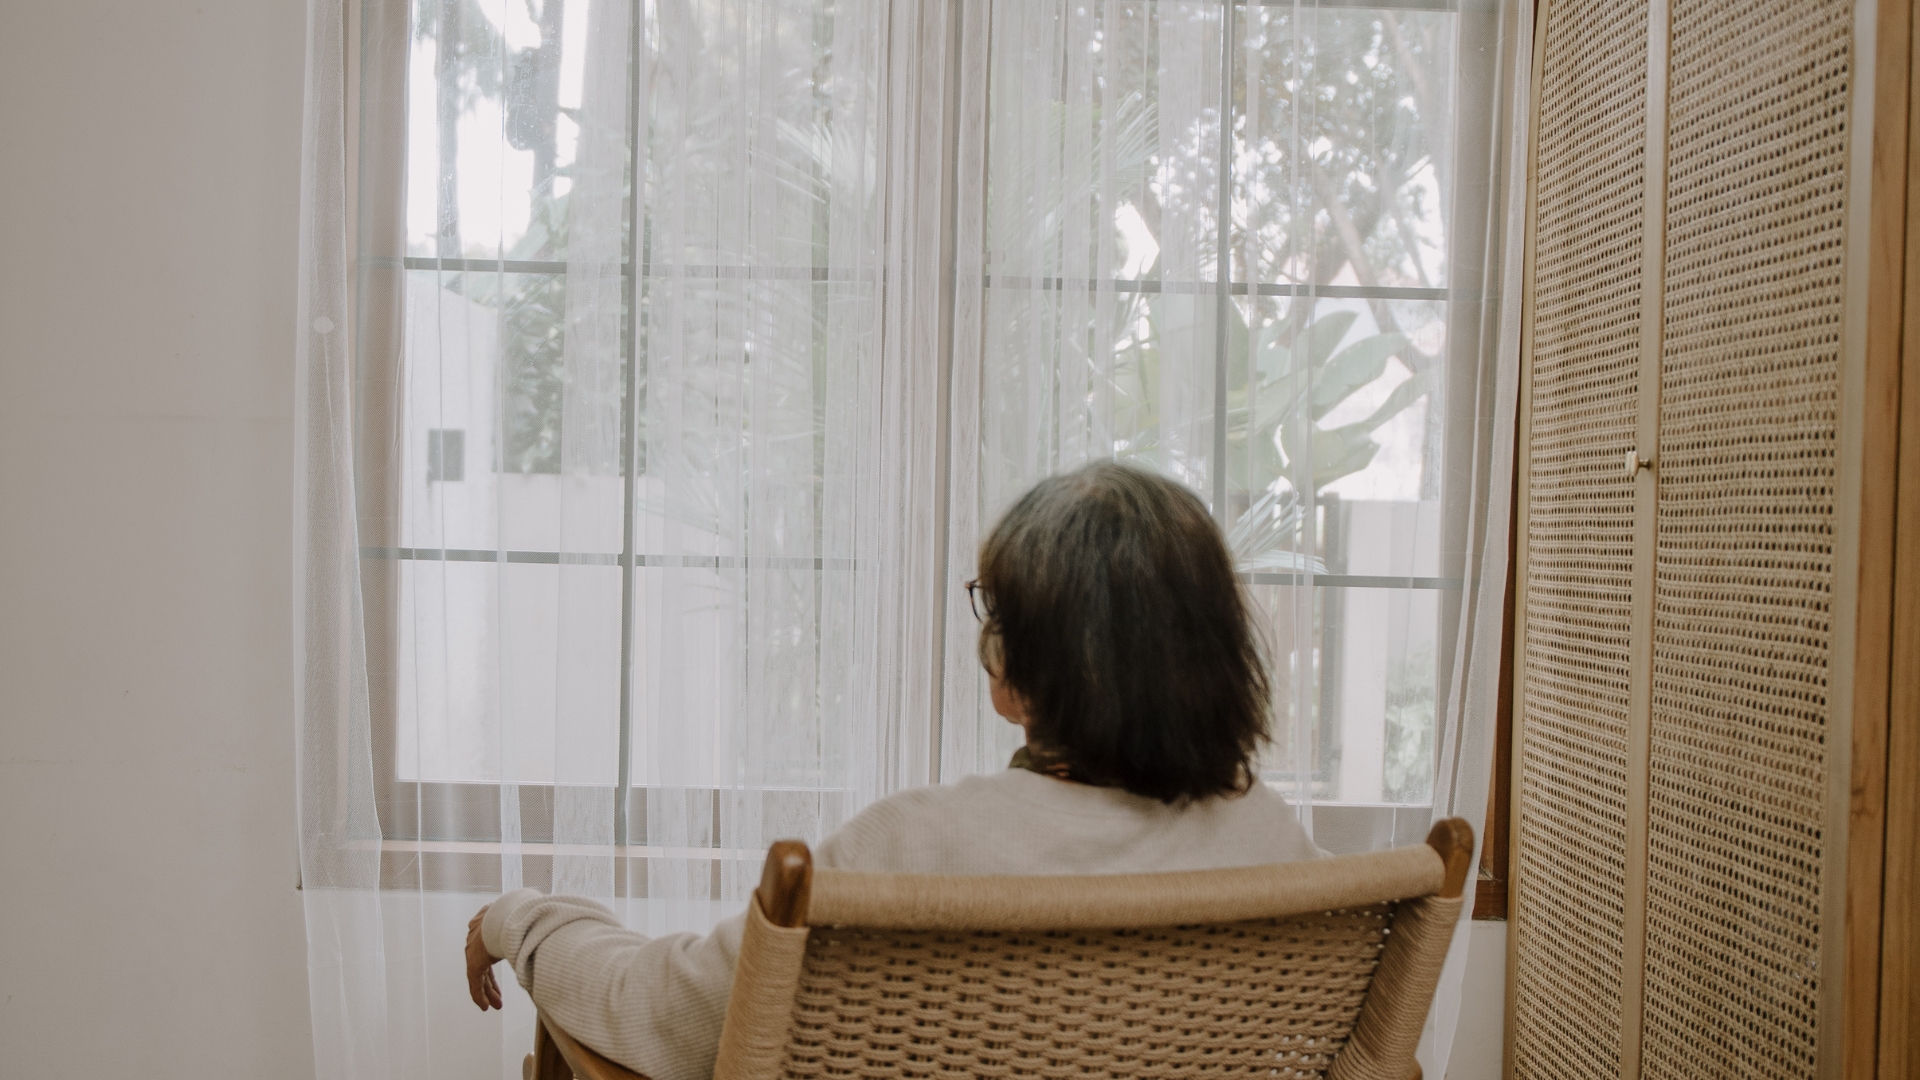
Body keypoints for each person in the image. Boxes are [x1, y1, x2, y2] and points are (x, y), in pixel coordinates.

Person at [464, 461, 1321, 1080]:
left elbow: (664, 1019)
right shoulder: (1280, 849)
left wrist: (524, 918)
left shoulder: (912, 844)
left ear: (1020, 671)